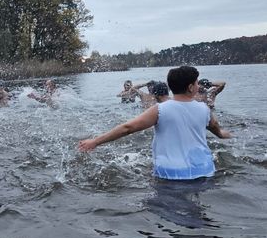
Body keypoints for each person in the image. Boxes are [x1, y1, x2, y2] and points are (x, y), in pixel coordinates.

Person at [78, 66, 231, 180]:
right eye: (197, 83)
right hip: (205, 171)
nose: (198, 87)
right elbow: (218, 131)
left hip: (170, 174)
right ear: (191, 87)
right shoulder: (204, 109)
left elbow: (127, 128)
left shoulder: (160, 110)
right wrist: (228, 135)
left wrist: (95, 142)